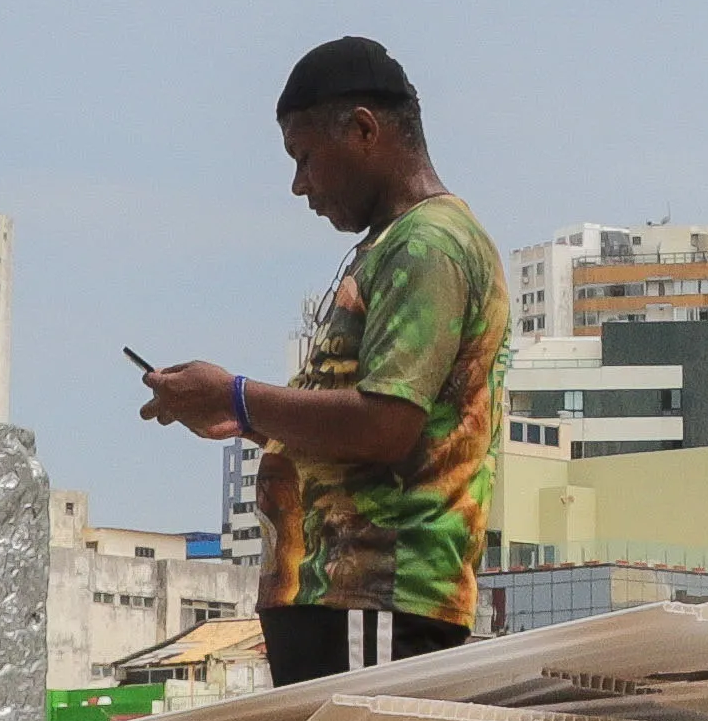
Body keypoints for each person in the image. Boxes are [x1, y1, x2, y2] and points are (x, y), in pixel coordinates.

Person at [138, 38, 504, 682]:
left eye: (304, 157)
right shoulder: (394, 244)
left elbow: (386, 426)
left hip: (377, 600)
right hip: (338, 603)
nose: (299, 184)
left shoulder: (430, 245)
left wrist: (238, 395)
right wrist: (243, 419)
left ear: (363, 128)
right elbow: (367, 419)